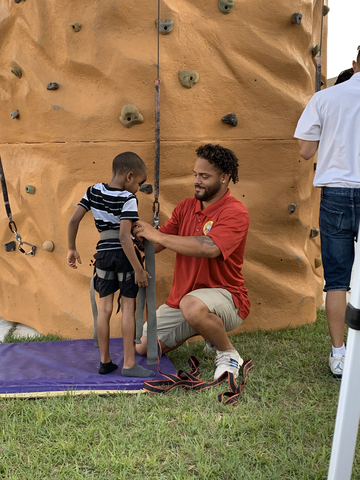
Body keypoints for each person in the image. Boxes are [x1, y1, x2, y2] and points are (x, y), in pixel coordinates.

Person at [134, 144, 250, 380]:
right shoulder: (186, 206)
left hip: (229, 297)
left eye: (204, 176)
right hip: (186, 300)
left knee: (192, 305)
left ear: (225, 178)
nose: (197, 180)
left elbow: (211, 248)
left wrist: (159, 235)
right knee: (145, 348)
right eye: (195, 174)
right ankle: (206, 330)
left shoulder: (235, 212)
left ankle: (228, 353)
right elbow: (157, 245)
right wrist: (130, 231)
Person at [294, 47, 360, 379]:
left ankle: (339, 355)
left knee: (337, 280)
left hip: (335, 190)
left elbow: (306, 151)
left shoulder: (326, 98)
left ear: (354, 64)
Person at [67, 151, 154, 377]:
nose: (138, 188)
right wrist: (139, 270)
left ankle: (105, 362)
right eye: (139, 182)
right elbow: (125, 237)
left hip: (102, 257)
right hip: (125, 257)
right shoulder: (128, 198)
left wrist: (71, 248)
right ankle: (128, 364)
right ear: (129, 176)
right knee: (127, 308)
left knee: (104, 309)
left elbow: (74, 219)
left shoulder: (93, 191)